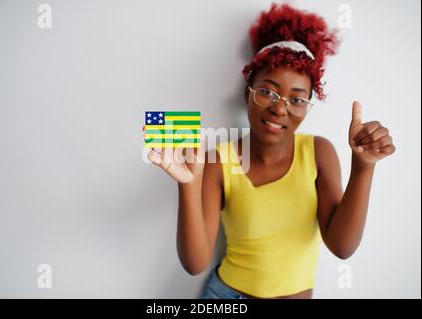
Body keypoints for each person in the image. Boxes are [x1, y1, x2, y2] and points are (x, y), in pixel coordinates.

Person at [143, 3, 396, 299]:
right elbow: (195, 263)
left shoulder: (319, 153)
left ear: (307, 106)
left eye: (297, 99)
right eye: (267, 91)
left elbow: (342, 247)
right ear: (247, 92)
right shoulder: (217, 160)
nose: (279, 108)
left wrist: (363, 167)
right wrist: (188, 184)